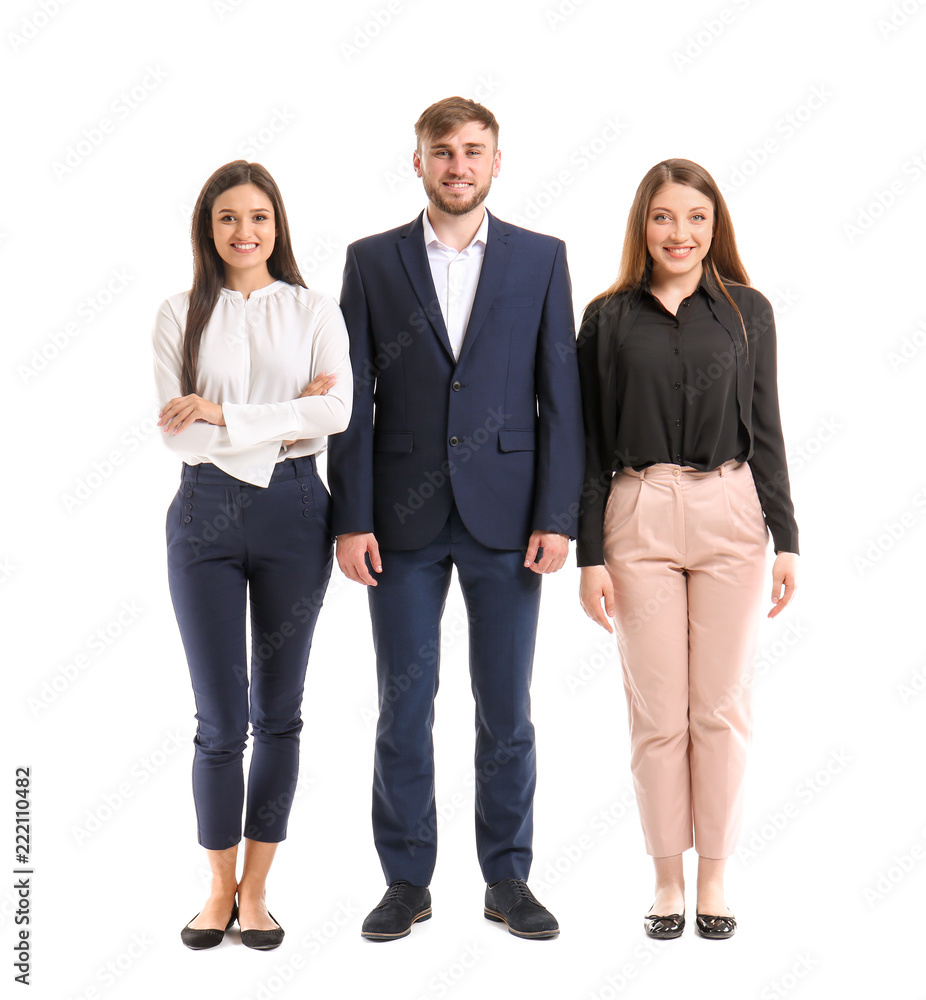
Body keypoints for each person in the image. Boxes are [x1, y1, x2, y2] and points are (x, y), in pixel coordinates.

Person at [328, 97, 584, 941]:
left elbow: (562, 399)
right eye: (444, 151)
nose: (458, 165)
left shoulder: (542, 259)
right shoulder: (371, 262)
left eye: (474, 151)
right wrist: (351, 516)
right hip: (395, 526)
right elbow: (352, 401)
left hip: (509, 521)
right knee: (403, 707)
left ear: (497, 162)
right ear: (419, 162)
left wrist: (558, 513)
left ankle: (508, 878)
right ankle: (407, 881)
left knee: (504, 706)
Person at [577, 158, 799, 941]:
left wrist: (788, 538)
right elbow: (588, 443)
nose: (681, 233)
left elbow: (767, 427)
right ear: (644, 224)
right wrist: (589, 555)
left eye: (696, 218)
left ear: (716, 226)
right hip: (636, 511)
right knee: (657, 713)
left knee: (723, 707)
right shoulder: (606, 318)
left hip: (731, 511)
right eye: (665, 217)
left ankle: (715, 880)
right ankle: (666, 879)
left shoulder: (748, 312)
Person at [153, 160, 352, 950]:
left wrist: (224, 410)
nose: (245, 232)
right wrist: (282, 416)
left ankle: (259, 889)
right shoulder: (177, 314)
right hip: (202, 513)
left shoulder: (312, 308)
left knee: (280, 713)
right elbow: (176, 429)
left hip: (297, 512)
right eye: (228, 217)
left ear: (278, 225)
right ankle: (215, 888)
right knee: (218, 720)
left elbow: (335, 410)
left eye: (259, 217)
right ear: (208, 226)